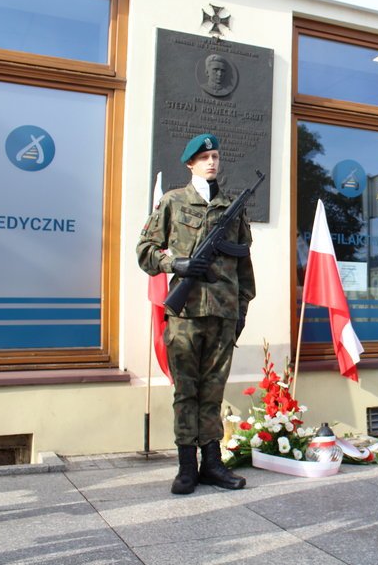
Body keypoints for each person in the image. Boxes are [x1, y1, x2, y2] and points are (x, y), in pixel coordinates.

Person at [137, 133, 255, 495]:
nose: (211, 162)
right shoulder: (173, 202)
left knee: (213, 394)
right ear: (190, 163)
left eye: (216, 156)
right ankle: (187, 466)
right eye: (204, 157)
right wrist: (177, 263)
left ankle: (213, 465)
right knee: (186, 392)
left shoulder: (231, 206)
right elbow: (145, 252)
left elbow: (244, 264)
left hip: (222, 314)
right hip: (185, 314)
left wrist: (241, 310)